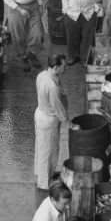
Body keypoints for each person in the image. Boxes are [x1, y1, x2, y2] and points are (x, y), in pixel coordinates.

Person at [3, 0, 44, 71]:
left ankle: (32, 53)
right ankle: (22, 56)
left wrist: (40, 4)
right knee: (18, 35)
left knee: (37, 33)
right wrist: (19, 9)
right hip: (16, 7)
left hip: (33, 6)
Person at [34, 55, 68, 190]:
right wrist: (67, 121)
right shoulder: (52, 86)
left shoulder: (42, 75)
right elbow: (58, 107)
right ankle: (44, 183)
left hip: (40, 114)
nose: (65, 68)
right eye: (63, 66)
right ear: (56, 67)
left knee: (41, 150)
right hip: (48, 120)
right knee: (48, 152)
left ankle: (41, 175)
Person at [61, 0, 102, 65]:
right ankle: (72, 56)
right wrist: (65, 11)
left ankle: (85, 58)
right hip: (72, 14)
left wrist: (96, 10)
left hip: (88, 14)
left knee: (87, 37)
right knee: (71, 36)